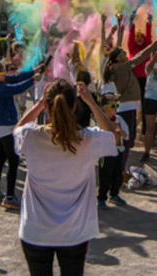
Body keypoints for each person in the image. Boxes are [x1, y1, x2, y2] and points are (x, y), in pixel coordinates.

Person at [14, 78, 117, 276]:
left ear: (47, 106)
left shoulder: (31, 137)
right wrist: (92, 102)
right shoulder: (89, 140)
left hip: (35, 230)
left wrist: (37, 104)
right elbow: (111, 133)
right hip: (74, 233)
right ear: (75, 105)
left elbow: (17, 129)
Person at [103, 34, 157, 172]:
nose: (127, 54)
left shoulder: (118, 66)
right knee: (125, 142)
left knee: (125, 140)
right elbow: (140, 57)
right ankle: (120, 169)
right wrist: (155, 44)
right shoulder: (121, 67)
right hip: (126, 106)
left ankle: (120, 169)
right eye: (124, 53)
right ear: (119, 57)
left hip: (127, 105)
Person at [0, 61, 43, 210]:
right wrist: (33, 80)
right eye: (3, 72)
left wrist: (33, 71)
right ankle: (10, 197)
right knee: (13, 161)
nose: (6, 74)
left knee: (0, 159)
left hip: (0, 126)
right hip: (6, 127)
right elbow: (18, 87)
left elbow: (17, 78)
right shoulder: (0, 88)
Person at [96, 92, 129, 210]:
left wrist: (120, 131)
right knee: (105, 175)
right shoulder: (100, 120)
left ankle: (114, 194)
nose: (115, 109)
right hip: (105, 152)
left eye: (117, 106)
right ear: (104, 108)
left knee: (117, 174)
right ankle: (101, 197)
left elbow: (127, 136)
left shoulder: (119, 119)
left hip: (118, 150)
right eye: (113, 106)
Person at [127, 11, 153, 99]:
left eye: (141, 37)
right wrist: (131, 22)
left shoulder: (146, 48)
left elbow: (148, 37)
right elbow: (131, 36)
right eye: (137, 37)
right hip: (133, 77)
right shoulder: (132, 48)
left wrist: (149, 22)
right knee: (133, 97)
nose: (139, 38)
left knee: (142, 98)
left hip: (144, 77)